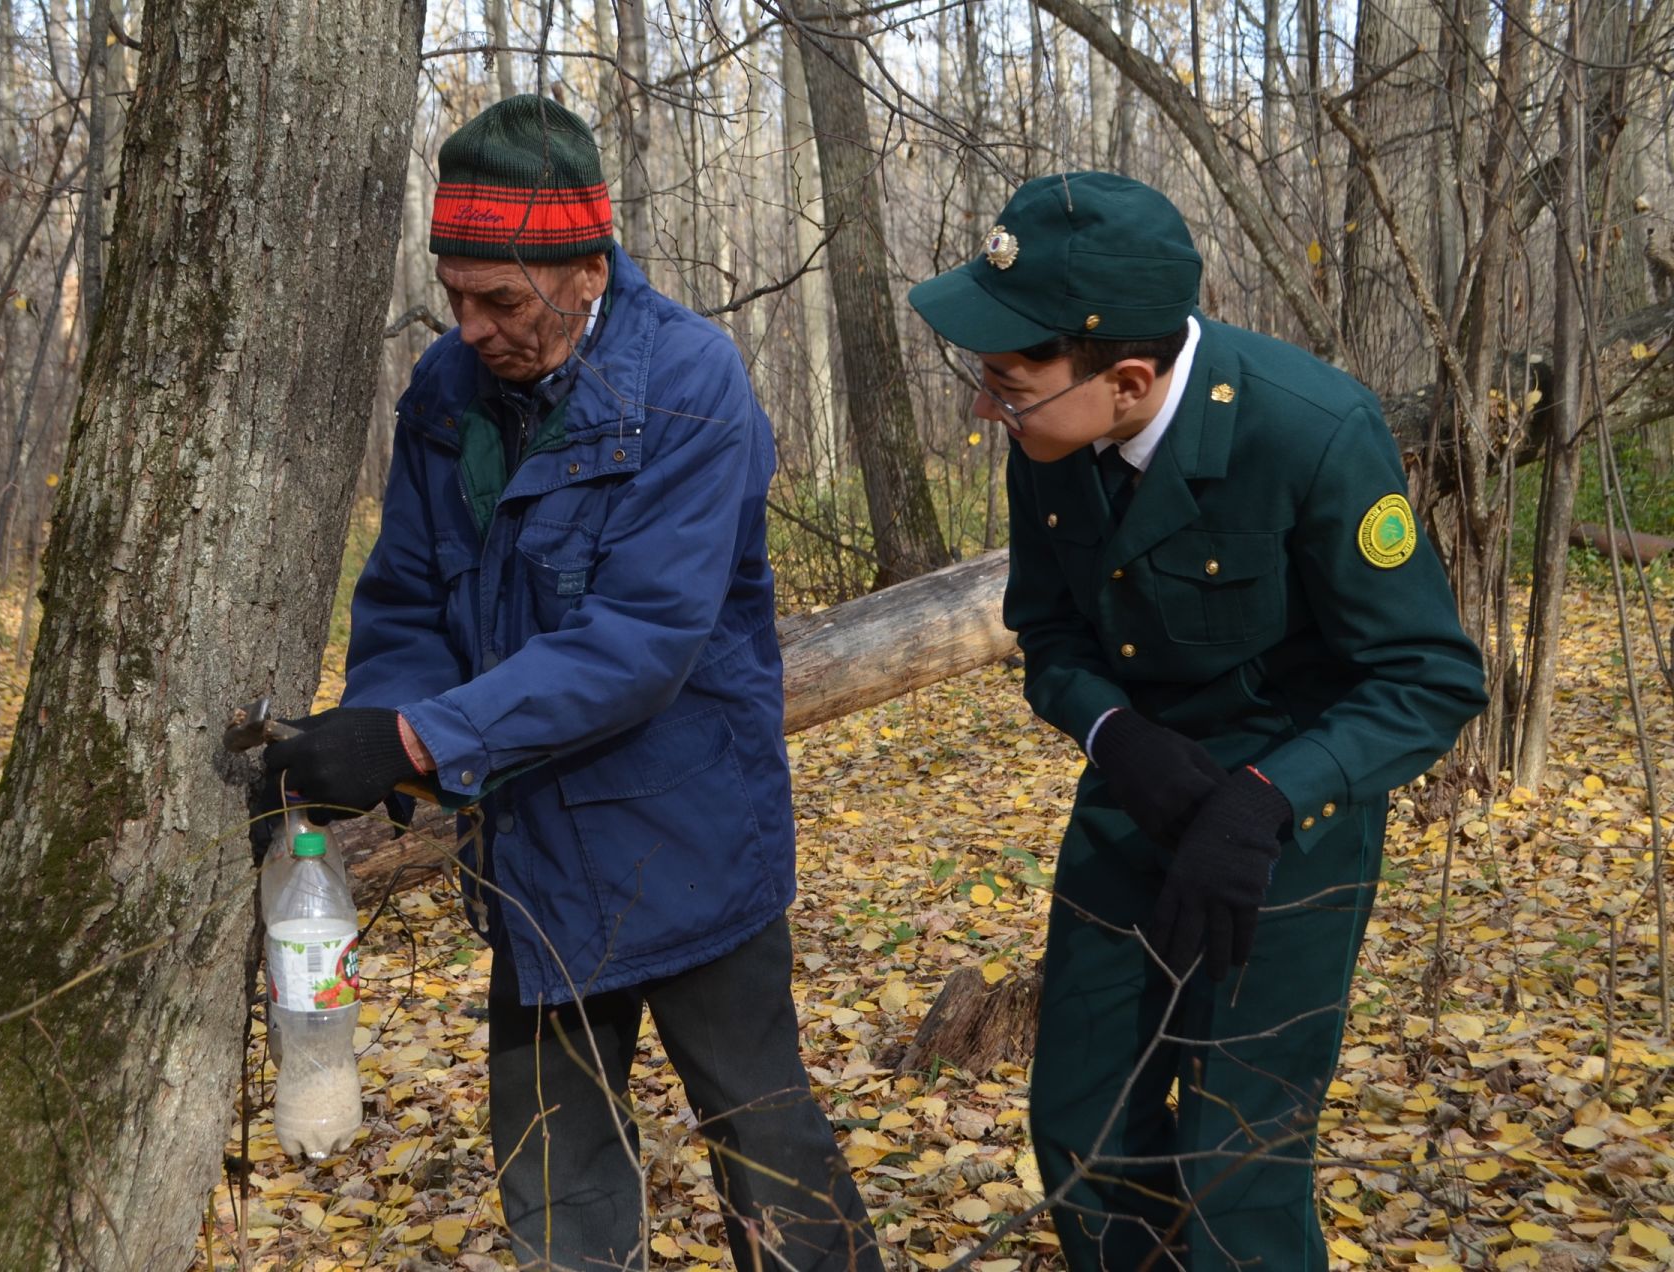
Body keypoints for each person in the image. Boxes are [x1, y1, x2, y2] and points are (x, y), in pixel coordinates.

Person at [256, 95, 880, 1272]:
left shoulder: (689, 388)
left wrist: (425, 740)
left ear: (587, 269)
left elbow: (639, 640)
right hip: (535, 851)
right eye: (455, 294)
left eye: (502, 300)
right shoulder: (448, 393)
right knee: (552, 1161)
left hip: (688, 833)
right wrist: (381, 720)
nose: (475, 326)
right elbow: (408, 592)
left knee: (765, 1137)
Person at [907, 172, 1486, 1269]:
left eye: (1009, 385)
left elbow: (1427, 677)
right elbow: (1050, 630)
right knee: (1086, 1130)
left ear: (1127, 378)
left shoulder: (1311, 431)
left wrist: (1267, 802)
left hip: (1288, 837)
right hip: (1133, 809)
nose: (990, 408)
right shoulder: (1056, 439)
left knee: (1239, 1168)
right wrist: (1113, 736)